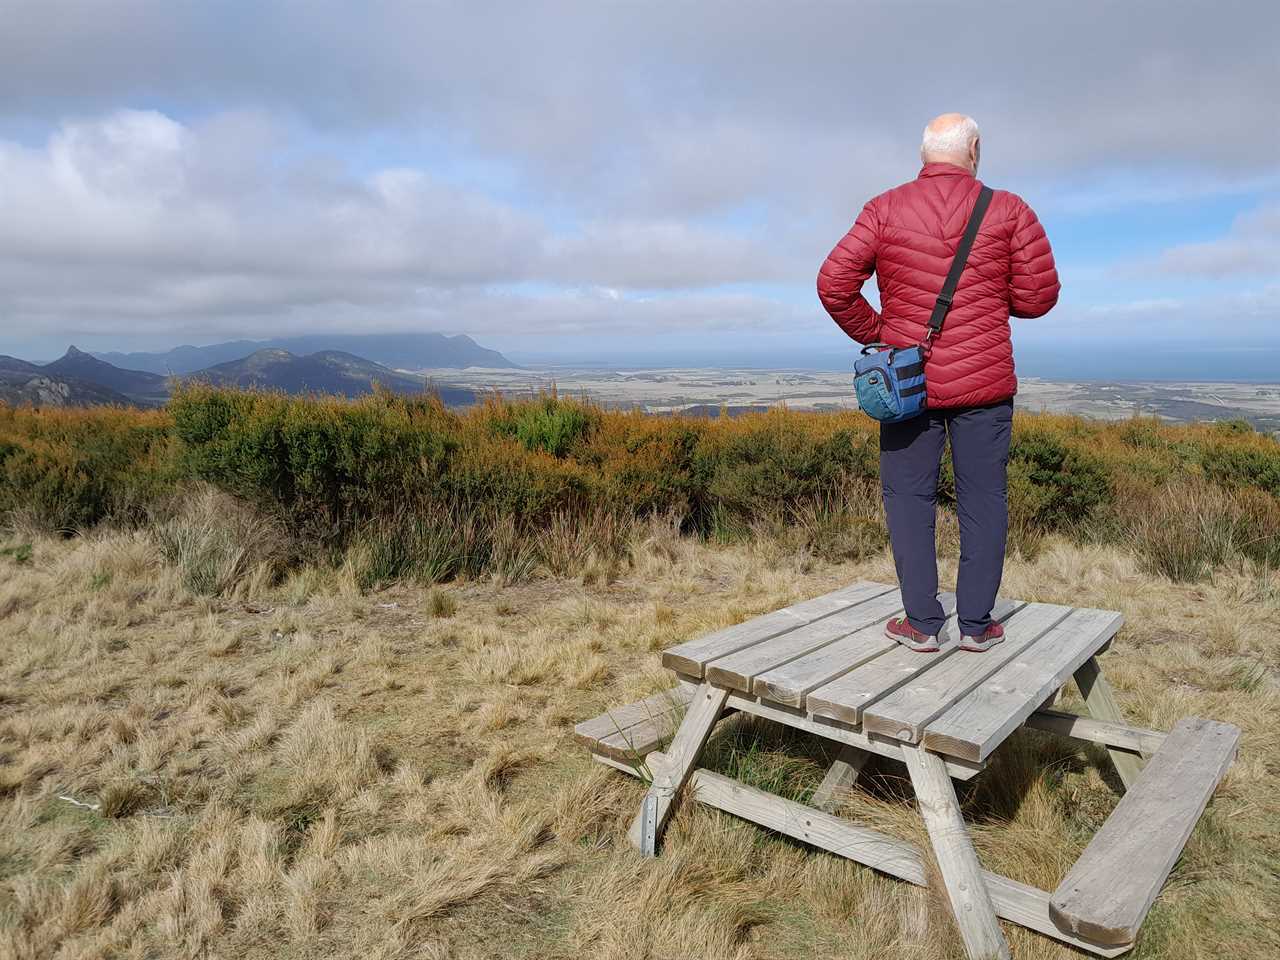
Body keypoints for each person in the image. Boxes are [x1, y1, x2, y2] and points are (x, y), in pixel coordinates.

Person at [816, 113, 1059, 653]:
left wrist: (880, 332)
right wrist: (992, 301)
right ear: (974, 149)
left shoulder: (884, 209)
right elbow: (1039, 297)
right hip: (986, 386)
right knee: (984, 500)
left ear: (924, 154)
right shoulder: (1009, 209)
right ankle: (976, 625)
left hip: (907, 383)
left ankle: (922, 624)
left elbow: (834, 284)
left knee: (907, 498)